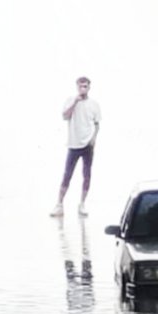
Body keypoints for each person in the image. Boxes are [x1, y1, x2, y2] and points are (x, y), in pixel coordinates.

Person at [52, 76, 101, 217]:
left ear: (89, 87)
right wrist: (75, 101)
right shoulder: (70, 100)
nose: (83, 89)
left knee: (86, 174)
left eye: (85, 86)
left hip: (88, 145)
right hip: (73, 144)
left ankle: (82, 204)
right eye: (80, 86)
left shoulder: (94, 104)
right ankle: (59, 204)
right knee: (67, 174)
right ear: (77, 87)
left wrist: (94, 139)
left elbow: (97, 124)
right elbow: (65, 116)